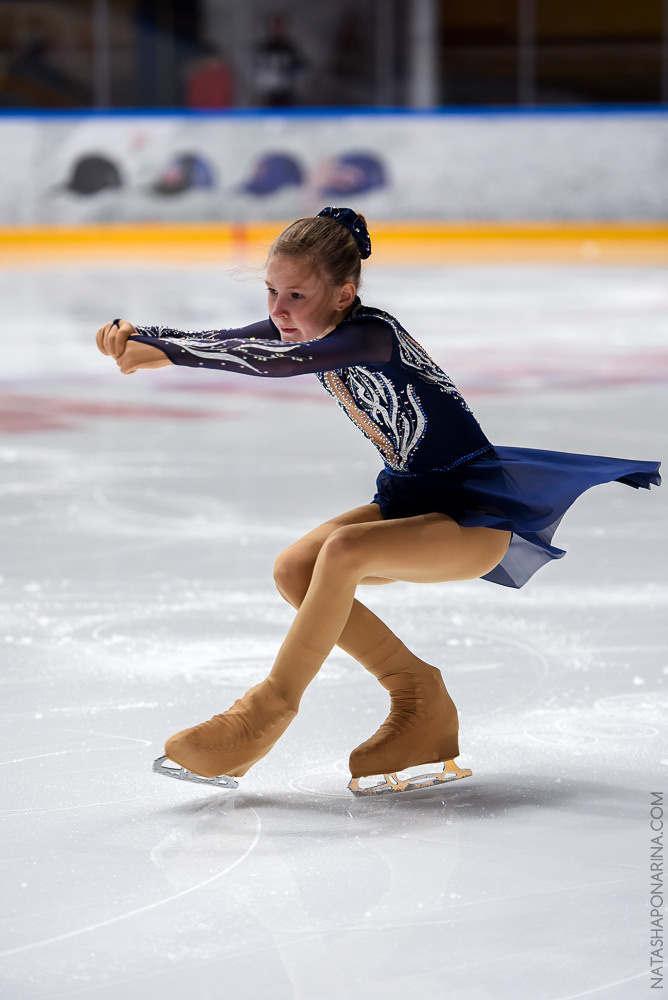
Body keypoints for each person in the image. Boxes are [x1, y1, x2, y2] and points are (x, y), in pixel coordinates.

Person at [95, 207, 661, 796]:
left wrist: (164, 352)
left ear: (344, 294)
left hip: (474, 517)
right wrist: (141, 338)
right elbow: (232, 340)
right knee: (295, 569)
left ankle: (263, 715)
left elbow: (273, 363)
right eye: (271, 291)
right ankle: (419, 697)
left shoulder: (371, 335)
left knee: (344, 550)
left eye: (296, 295)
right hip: (412, 502)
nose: (278, 310)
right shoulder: (308, 326)